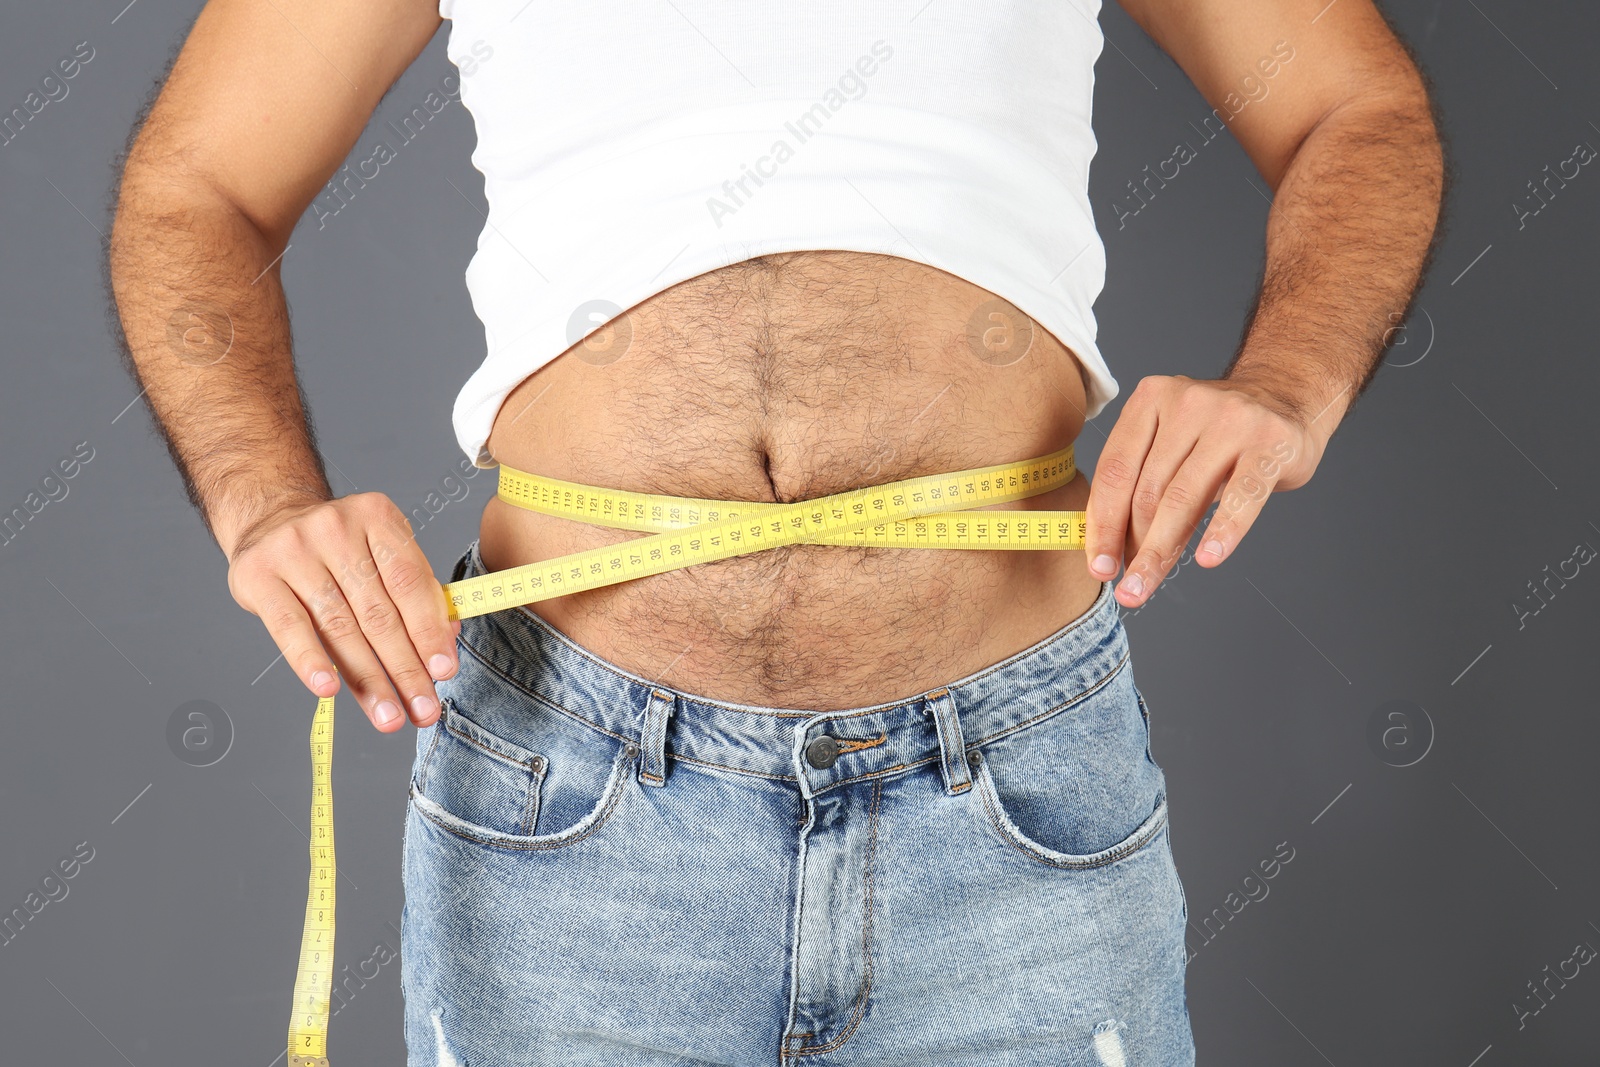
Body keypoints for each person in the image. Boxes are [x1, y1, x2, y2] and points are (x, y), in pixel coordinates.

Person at [108, 0, 1443, 1063]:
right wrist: (264, 500)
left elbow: (1353, 106)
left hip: (1013, 793)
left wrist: (1285, 382)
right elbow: (199, 186)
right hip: (567, 806)